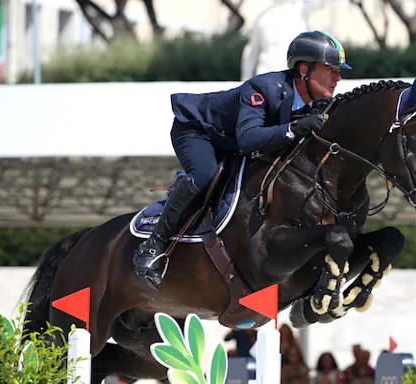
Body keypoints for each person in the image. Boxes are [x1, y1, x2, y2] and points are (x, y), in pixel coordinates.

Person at [133, 31, 352, 289]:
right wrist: (294, 129)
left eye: (338, 71)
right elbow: (248, 138)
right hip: (198, 131)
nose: (338, 77)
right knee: (204, 174)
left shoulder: (317, 103)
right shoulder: (263, 88)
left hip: (232, 142)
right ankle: (152, 247)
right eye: (330, 69)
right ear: (304, 70)